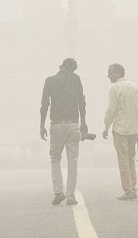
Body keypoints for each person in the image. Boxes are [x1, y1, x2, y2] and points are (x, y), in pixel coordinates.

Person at [40, 57, 87, 206]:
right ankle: (71, 196)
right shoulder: (76, 80)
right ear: (73, 70)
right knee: (72, 161)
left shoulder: (50, 81)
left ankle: (58, 192)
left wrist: (41, 125)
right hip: (73, 124)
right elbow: (82, 101)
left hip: (57, 125)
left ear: (60, 66)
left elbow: (45, 104)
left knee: (55, 159)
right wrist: (84, 122)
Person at [102, 63, 138, 201]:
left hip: (120, 129)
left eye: (110, 73)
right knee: (130, 159)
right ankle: (133, 187)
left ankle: (128, 190)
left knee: (123, 160)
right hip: (133, 129)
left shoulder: (115, 88)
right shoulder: (133, 86)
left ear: (118, 73)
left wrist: (106, 126)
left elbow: (111, 110)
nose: (108, 76)